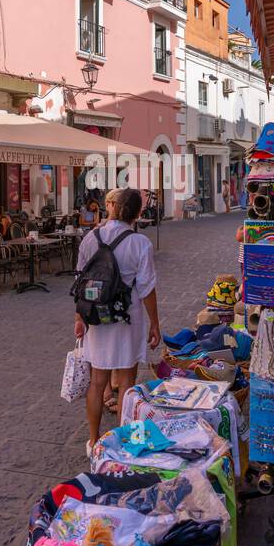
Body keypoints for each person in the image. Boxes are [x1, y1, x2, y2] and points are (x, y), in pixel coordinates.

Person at [73, 187, 160, 451]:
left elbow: (80, 281)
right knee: (126, 384)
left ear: (112, 207)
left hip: (96, 316)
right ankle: (121, 441)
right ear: (137, 213)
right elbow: (146, 288)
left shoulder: (91, 238)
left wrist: (79, 317)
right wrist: (155, 323)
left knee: (97, 382)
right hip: (127, 317)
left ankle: (93, 440)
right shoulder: (140, 243)